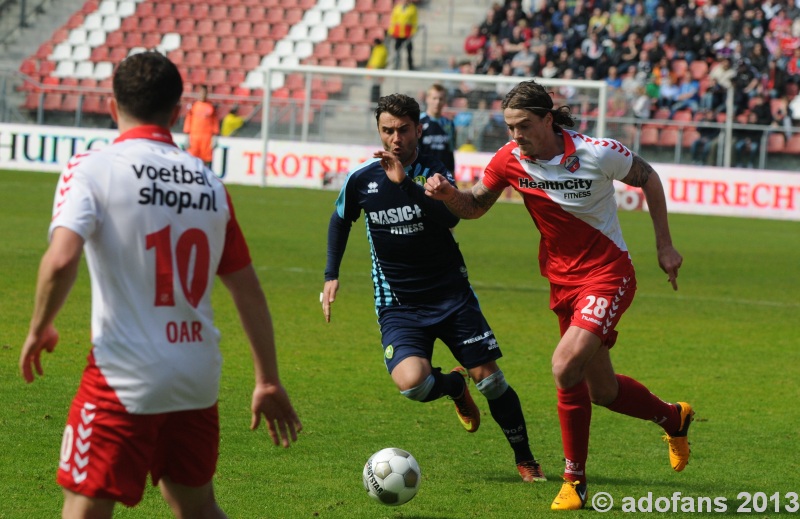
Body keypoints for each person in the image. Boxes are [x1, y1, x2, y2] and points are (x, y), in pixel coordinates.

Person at [18, 51, 302, 518]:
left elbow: (61, 258)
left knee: (84, 506)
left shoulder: (91, 167)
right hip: (196, 375)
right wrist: (267, 379)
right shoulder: (209, 183)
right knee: (195, 503)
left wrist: (40, 326)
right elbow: (246, 288)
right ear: (177, 111)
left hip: (124, 374)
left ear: (112, 107)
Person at [423, 80, 693, 511]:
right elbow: (474, 206)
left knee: (564, 365)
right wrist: (447, 195)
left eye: (524, 126)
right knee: (601, 391)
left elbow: (650, 178)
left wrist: (664, 244)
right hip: (563, 285)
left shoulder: (596, 152)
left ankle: (575, 480)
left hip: (609, 275)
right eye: (510, 127)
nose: (516, 136)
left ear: (548, 120)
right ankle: (673, 417)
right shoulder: (509, 159)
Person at [321, 93, 546, 483]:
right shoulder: (362, 178)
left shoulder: (434, 172)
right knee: (413, 385)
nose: (395, 138)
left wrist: (407, 185)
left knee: (492, 381)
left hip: (451, 297)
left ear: (418, 130)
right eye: (387, 130)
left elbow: (450, 219)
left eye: (403, 130)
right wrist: (330, 274)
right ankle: (454, 385)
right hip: (399, 304)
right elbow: (340, 220)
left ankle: (526, 460)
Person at [419, 83, 457, 173]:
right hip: (422, 172)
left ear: (445, 101)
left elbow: (450, 151)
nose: (437, 102)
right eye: (434, 98)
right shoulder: (418, 122)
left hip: (443, 173)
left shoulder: (449, 124)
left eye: (441, 99)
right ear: (427, 99)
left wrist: (452, 173)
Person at [183, 85, 219, 167]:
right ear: (199, 93)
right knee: (192, 158)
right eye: (201, 92)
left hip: (207, 137)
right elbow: (188, 120)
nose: (203, 94)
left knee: (205, 160)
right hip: (194, 137)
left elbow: (215, 122)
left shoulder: (211, 106)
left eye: (205, 93)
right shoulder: (193, 106)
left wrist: (215, 136)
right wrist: (186, 135)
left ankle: (203, 177)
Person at [388, 0, 417, 70]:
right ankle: (397, 65)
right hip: (398, 33)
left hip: (407, 33)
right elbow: (393, 20)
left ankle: (410, 66)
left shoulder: (413, 9)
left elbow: (414, 21)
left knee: (409, 50)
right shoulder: (397, 8)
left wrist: (413, 32)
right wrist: (391, 31)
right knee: (397, 50)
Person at [366, 38, 389, 103]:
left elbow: (377, 62)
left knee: (376, 87)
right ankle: (374, 101)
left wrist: (370, 71)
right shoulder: (380, 49)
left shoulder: (381, 50)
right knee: (375, 87)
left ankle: (375, 101)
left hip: (377, 71)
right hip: (375, 70)